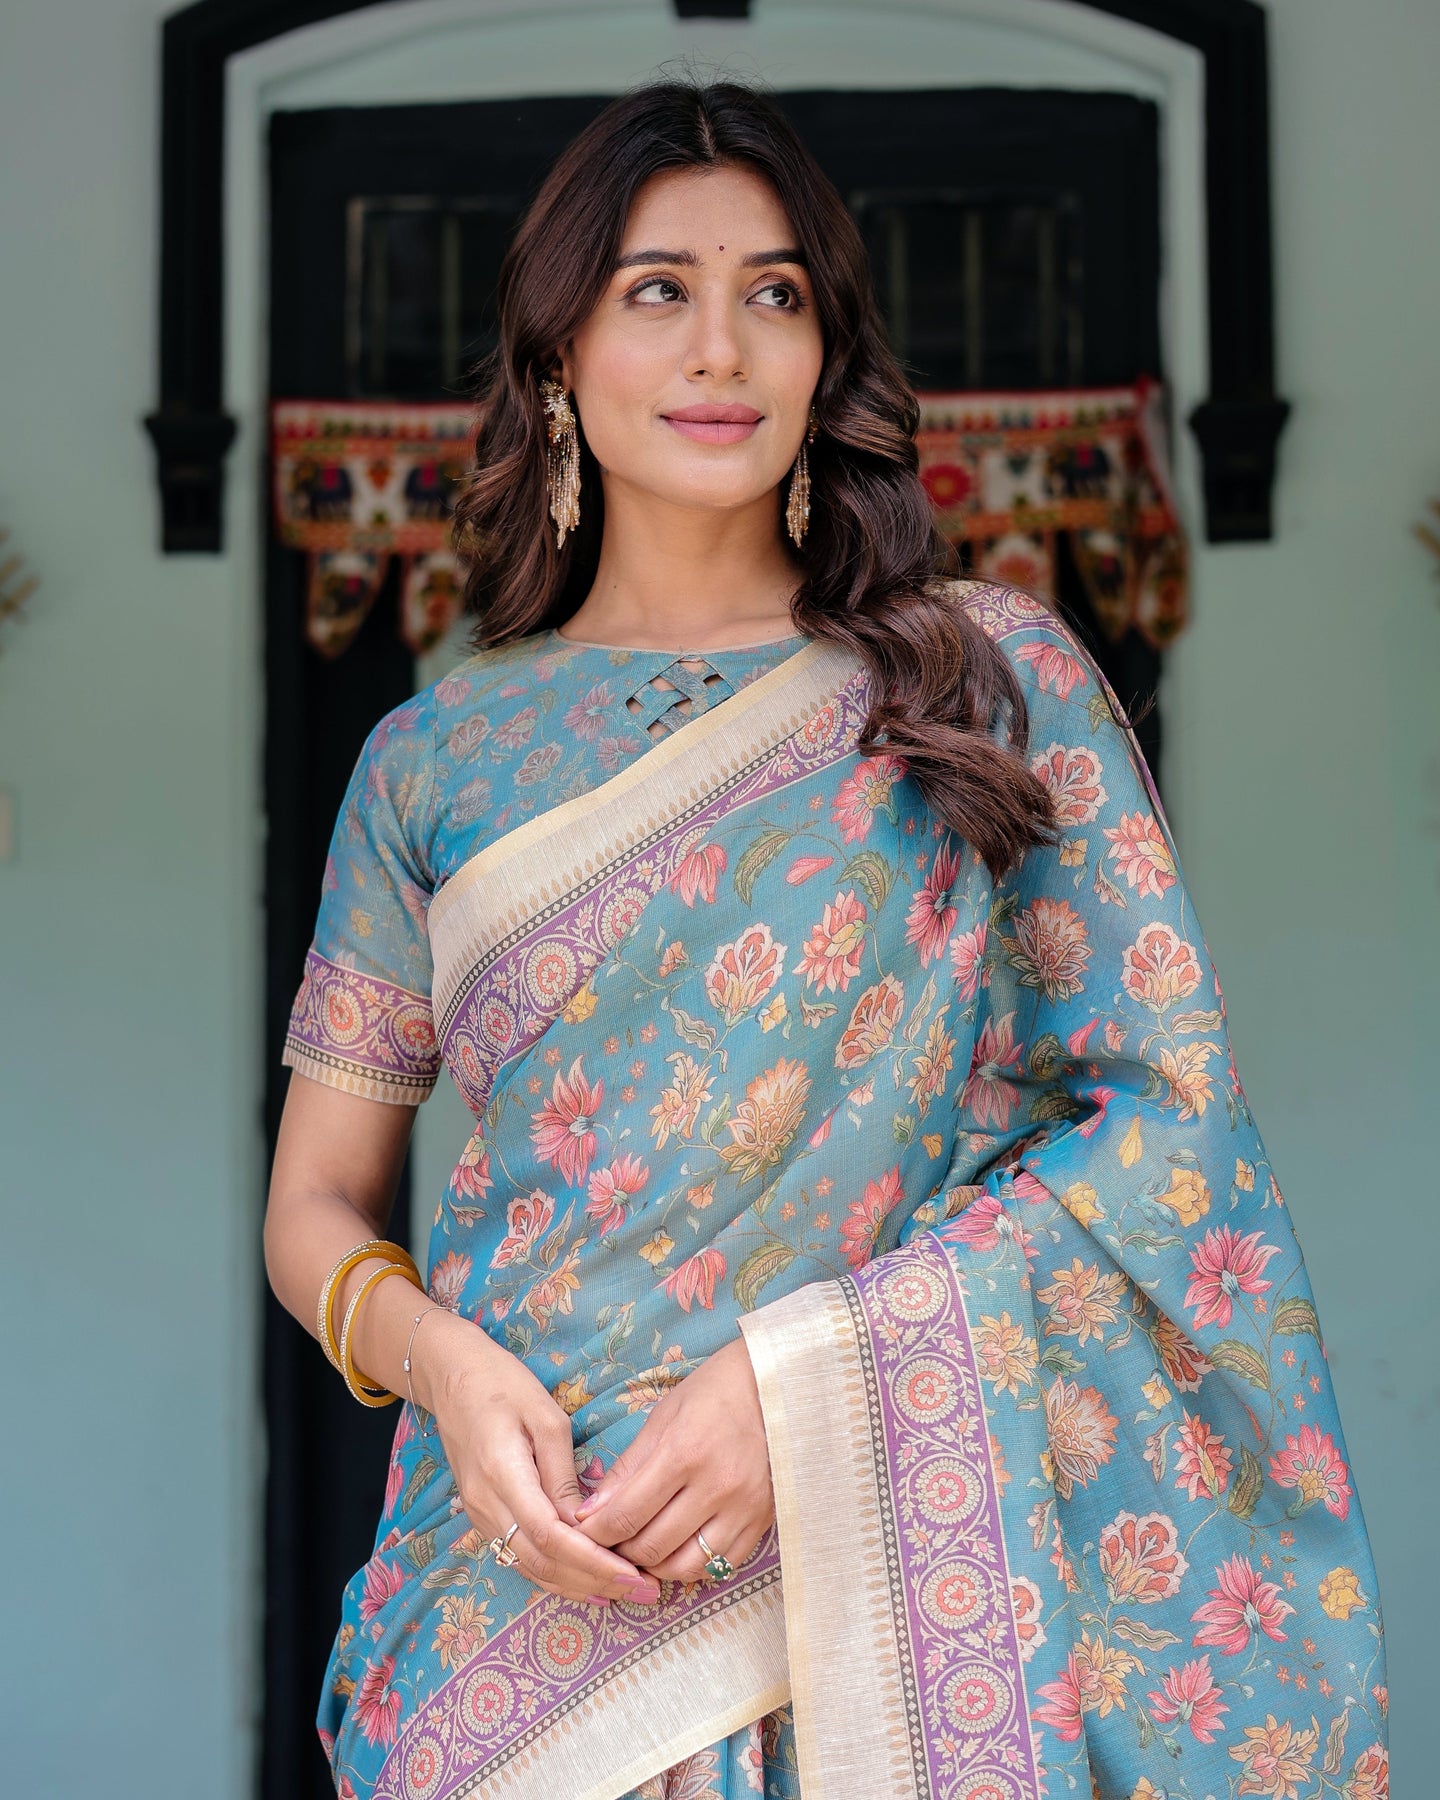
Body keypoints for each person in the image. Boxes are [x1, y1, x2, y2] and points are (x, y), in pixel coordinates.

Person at [264, 80, 1389, 1800]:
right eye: (658, 290)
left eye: (774, 293)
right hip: (510, 1587)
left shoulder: (983, 685)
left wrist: (803, 1391)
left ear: (825, 351)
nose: (721, 346)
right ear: (558, 349)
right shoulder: (431, 762)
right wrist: (443, 1367)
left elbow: (1164, 1132)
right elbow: (316, 1208)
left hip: (878, 1584)